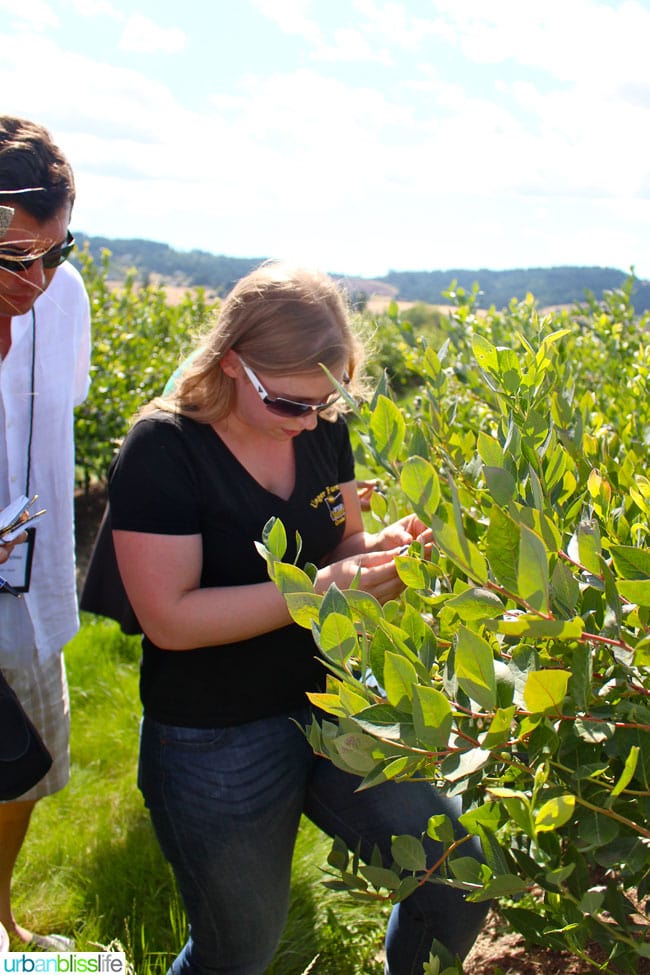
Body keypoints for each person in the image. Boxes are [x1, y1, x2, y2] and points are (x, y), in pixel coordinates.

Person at [108, 262, 488, 975]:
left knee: (456, 874)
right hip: (214, 740)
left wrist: (380, 553)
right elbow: (170, 619)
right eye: (291, 403)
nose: (311, 422)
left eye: (327, 402)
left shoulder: (320, 424)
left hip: (334, 704)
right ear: (231, 362)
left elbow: (339, 541)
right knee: (238, 951)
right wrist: (316, 593)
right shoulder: (162, 450)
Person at [0, 117, 91, 949]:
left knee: (22, 769)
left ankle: (0, 920)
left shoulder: (63, 296)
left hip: (30, 587)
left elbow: (54, 410)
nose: (37, 276)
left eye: (55, 251)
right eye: (13, 257)